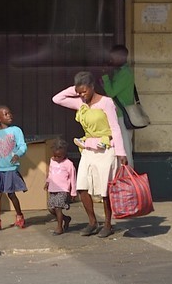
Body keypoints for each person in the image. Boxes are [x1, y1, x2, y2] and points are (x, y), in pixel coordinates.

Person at [52, 71, 127, 238]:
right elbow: (57, 99)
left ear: (93, 87)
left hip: (106, 149)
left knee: (105, 190)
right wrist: (76, 89)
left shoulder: (107, 102)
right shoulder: (80, 103)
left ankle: (108, 224)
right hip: (87, 149)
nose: (82, 95)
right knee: (82, 186)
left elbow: (115, 128)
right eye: (79, 92)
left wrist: (121, 153)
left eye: (84, 90)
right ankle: (92, 222)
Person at [0, 104, 28, 231]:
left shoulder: (16, 130)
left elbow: (22, 146)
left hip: (10, 168)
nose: (9, 115)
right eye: (5, 114)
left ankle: (19, 215)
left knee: (11, 194)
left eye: (9, 113)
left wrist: (18, 155)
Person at [101, 43, 138, 162]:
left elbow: (111, 93)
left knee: (125, 148)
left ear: (122, 57)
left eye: (113, 57)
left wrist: (105, 76)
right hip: (119, 114)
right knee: (122, 146)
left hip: (122, 114)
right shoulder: (120, 72)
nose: (111, 60)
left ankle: (128, 177)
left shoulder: (124, 73)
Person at [45, 138, 75, 235]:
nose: (57, 158)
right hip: (53, 188)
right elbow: (50, 173)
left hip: (63, 189)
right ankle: (66, 219)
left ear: (64, 154)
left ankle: (59, 227)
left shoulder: (68, 164)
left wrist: (73, 191)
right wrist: (47, 181)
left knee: (58, 207)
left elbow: (73, 178)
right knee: (51, 208)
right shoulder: (52, 161)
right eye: (55, 156)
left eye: (59, 156)